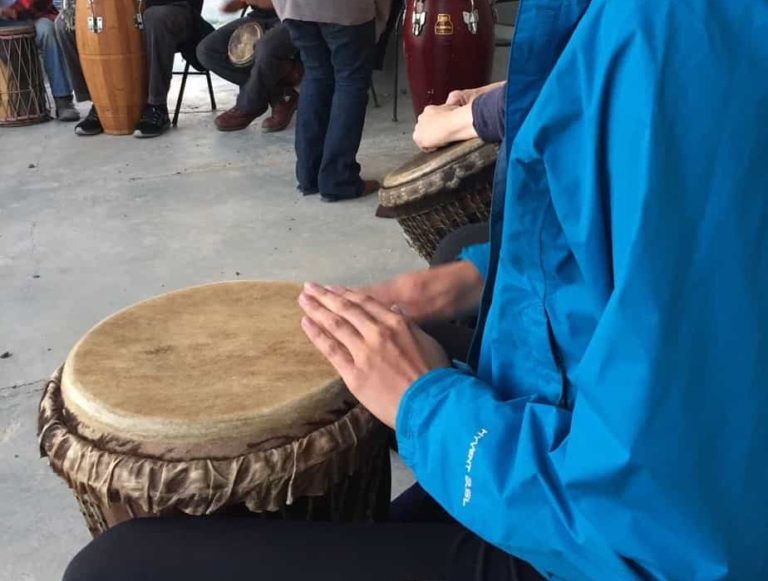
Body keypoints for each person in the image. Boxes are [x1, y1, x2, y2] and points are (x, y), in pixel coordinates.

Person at [61, 0, 768, 579]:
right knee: (452, 259)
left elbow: (661, 529)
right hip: (583, 464)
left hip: (595, 541)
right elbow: (641, 246)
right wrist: (473, 279)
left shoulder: (672, 32)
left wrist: (425, 404)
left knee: (119, 567)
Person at [270, 0, 390, 202]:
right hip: (344, 8)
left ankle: (309, 175)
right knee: (350, 83)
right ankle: (338, 180)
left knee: (316, 75)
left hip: (294, 7)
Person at [54, 0, 213, 137]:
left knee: (155, 17)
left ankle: (157, 106)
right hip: (115, 10)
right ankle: (99, 102)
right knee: (64, 24)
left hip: (172, 8)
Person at [195, 0, 300, 133]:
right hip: (259, 16)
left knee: (265, 49)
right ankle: (281, 91)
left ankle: (249, 105)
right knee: (207, 50)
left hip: (292, 17)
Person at [0, 0, 78, 121]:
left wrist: (16, 9)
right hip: (3, 21)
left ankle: (63, 99)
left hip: (34, 16)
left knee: (48, 31)